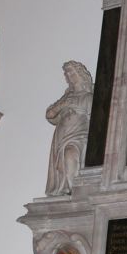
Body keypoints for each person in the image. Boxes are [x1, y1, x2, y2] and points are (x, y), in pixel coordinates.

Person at [46, 61, 93, 196]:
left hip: (79, 135)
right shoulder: (66, 97)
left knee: (70, 154)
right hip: (61, 137)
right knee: (63, 164)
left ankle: (75, 192)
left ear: (80, 74)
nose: (68, 75)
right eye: (66, 73)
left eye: (71, 72)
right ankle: (65, 189)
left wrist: (79, 109)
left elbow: (95, 122)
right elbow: (49, 114)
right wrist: (64, 104)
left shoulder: (88, 97)